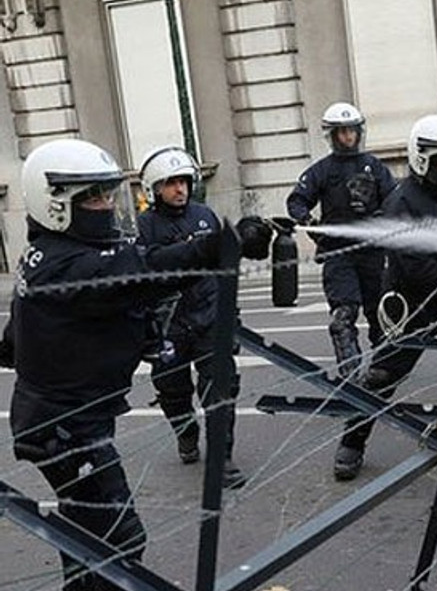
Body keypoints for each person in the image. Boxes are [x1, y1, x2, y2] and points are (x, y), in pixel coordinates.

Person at [3, 139, 269, 591]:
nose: (105, 205)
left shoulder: (50, 254)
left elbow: (15, 341)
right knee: (120, 542)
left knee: (88, 535)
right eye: (92, 197)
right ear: (55, 204)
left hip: (58, 419)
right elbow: (148, 269)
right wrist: (226, 243)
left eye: (108, 194)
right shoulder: (68, 264)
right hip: (66, 427)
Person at [333, 115, 437, 481]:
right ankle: (352, 442)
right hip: (411, 305)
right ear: (422, 159)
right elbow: (419, 271)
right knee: (382, 376)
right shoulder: (402, 203)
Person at [137, 146, 246, 489]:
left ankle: (221, 458)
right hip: (170, 322)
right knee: (171, 388)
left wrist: (233, 317)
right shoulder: (144, 227)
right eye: (170, 183)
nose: (179, 189)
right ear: (155, 188)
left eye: (183, 181)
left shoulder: (205, 217)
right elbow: (145, 271)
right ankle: (186, 433)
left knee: (220, 387)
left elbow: (224, 268)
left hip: (210, 315)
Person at [287, 102, 396, 379]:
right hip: (338, 254)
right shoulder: (321, 171)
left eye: (352, 131)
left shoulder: (375, 167)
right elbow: (297, 200)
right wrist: (309, 222)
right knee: (342, 317)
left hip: (372, 252)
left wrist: (382, 218)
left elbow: (395, 200)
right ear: (332, 135)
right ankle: (350, 377)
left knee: (381, 317)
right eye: (342, 132)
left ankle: (382, 374)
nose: (348, 137)